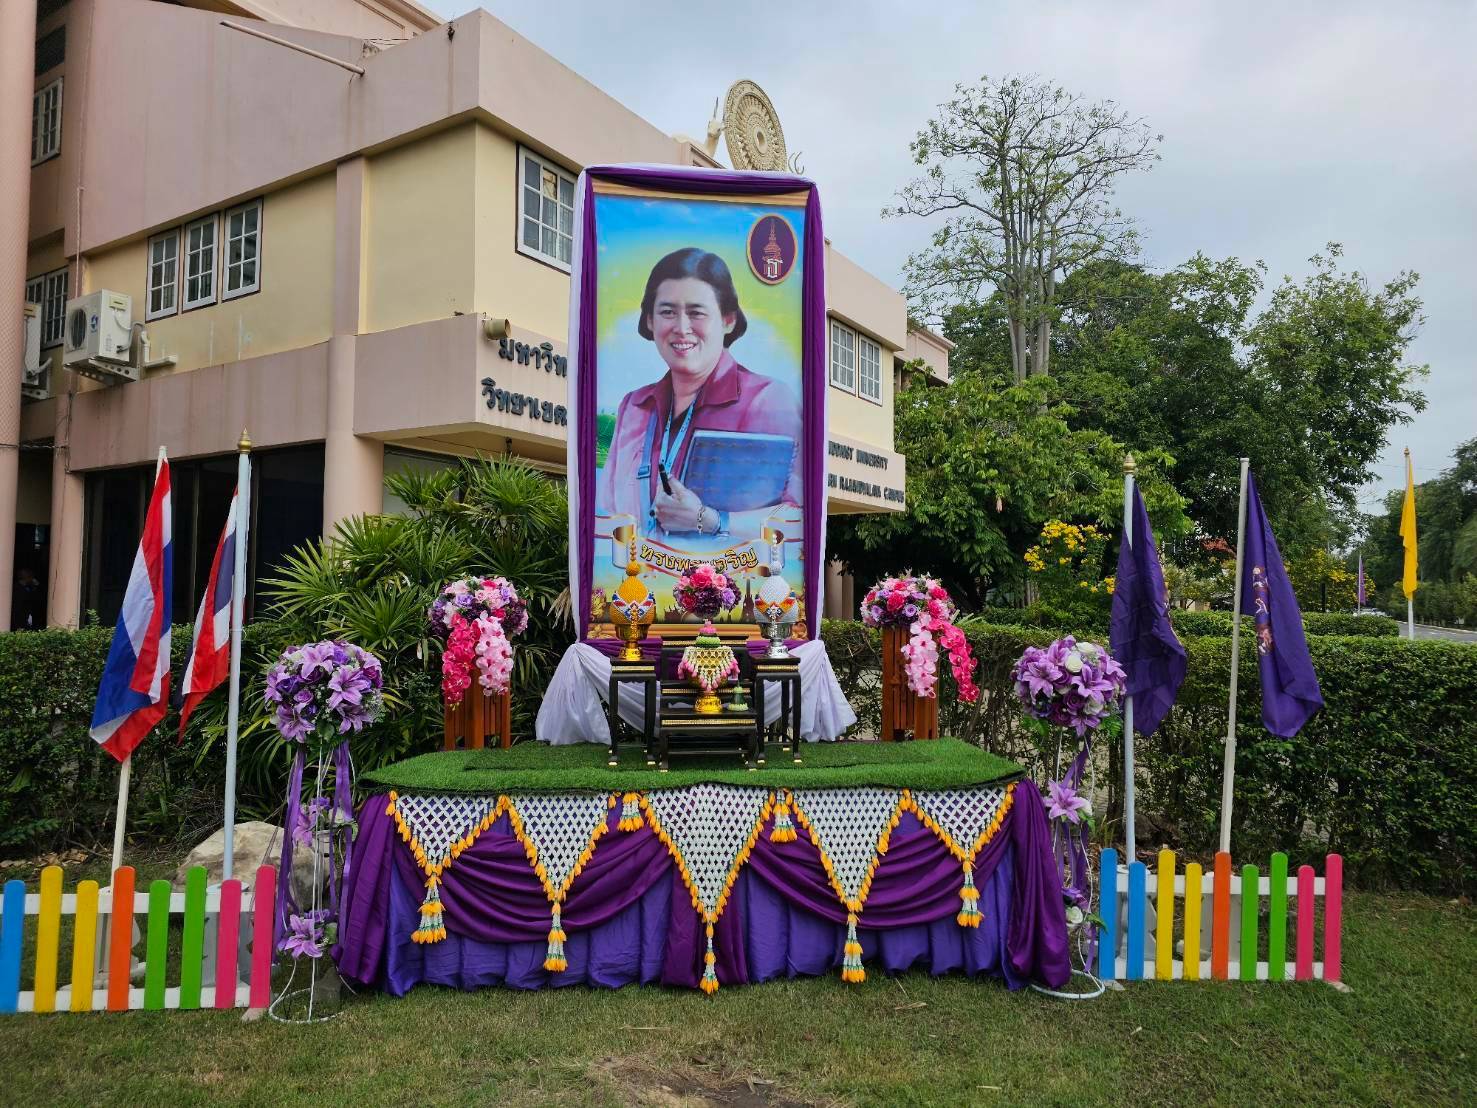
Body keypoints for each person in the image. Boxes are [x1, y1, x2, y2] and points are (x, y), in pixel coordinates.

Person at [597, 247, 801, 542]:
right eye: (667, 312)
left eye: (696, 313)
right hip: (638, 571)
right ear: (650, 320)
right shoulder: (634, 407)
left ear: (728, 320)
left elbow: (798, 521)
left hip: (731, 574)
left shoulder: (767, 400)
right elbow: (607, 514)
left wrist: (710, 520)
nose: (682, 328)